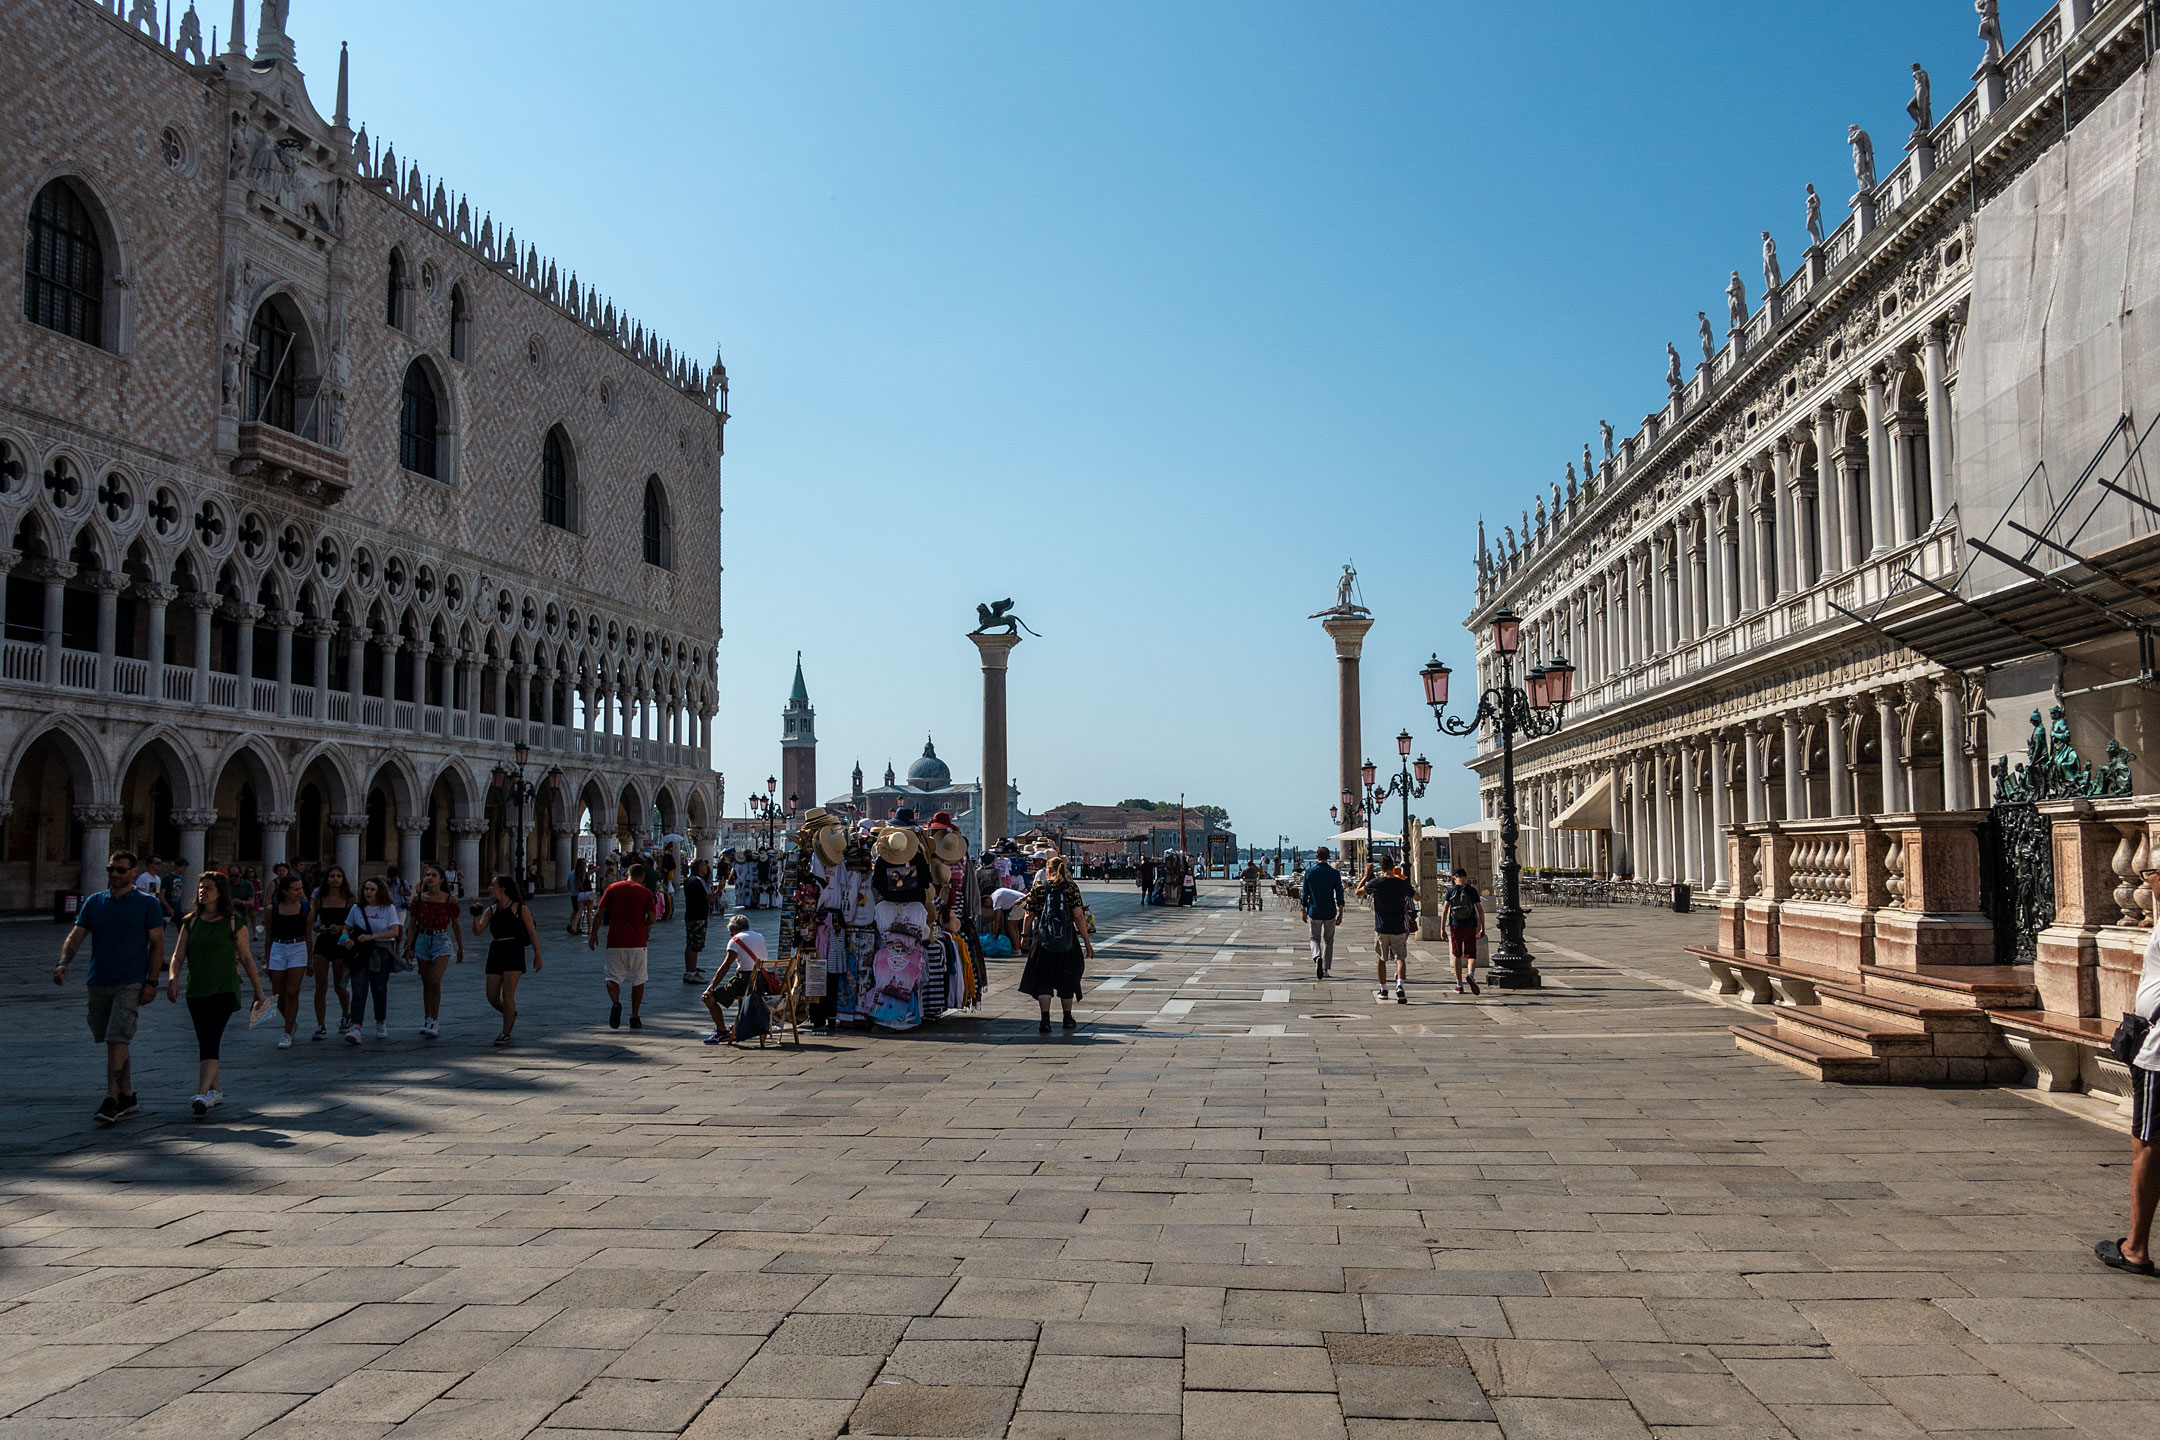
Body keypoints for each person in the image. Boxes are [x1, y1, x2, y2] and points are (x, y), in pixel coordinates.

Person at [54, 851, 167, 1124]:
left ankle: (111, 1099)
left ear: (133, 871)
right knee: (114, 1039)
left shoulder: (147, 904)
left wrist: (151, 982)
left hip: (130, 980)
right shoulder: (95, 902)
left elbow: (157, 946)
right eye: (110, 869)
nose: (114, 874)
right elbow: (76, 935)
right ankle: (127, 1095)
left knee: (117, 1037)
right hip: (99, 979)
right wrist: (63, 962)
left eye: (120, 870)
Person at [163, 869, 266, 1115]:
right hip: (197, 989)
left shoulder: (234, 922)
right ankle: (215, 1091)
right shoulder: (191, 921)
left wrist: (259, 993)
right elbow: (178, 955)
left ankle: (202, 1093)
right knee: (206, 1040)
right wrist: (172, 979)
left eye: (208, 887)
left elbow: (247, 958)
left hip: (224, 989)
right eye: (201, 887)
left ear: (220, 893)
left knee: (211, 1039)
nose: (202, 891)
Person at [1019, 854, 1094, 1035]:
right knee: (1067, 979)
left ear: (1048, 871)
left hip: (1042, 939)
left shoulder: (1038, 887)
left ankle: (1045, 1020)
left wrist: (1023, 935)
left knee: (1043, 980)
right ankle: (1067, 1018)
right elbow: (1078, 916)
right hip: (1067, 939)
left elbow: (1029, 914)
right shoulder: (1071, 887)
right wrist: (1087, 941)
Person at [474, 874, 541, 1046]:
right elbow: (478, 930)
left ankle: (505, 1032)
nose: (490, 888)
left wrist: (537, 955)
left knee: (508, 994)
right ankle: (510, 1013)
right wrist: (475, 915)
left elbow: (532, 932)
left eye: (493, 885)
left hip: (514, 950)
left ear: (502, 888)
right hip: (496, 950)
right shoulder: (491, 910)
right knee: (492, 996)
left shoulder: (520, 909)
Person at [591, 861, 655, 1029]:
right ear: (641, 876)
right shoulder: (646, 892)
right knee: (638, 979)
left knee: (612, 977)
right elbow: (652, 917)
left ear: (628, 873)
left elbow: (600, 912)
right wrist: (646, 926)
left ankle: (616, 1003)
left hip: (615, 941)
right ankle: (634, 1015)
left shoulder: (613, 888)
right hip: (637, 942)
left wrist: (593, 934)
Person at [405, 863, 463, 1037]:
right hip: (422, 938)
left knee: (435, 980)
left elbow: (456, 923)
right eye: (427, 875)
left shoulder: (449, 899)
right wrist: (409, 947)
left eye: (433, 875)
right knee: (426, 981)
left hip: (441, 939)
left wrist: (460, 947)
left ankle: (435, 1020)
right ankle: (427, 1018)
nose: (429, 878)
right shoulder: (419, 899)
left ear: (441, 880)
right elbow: (411, 925)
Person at [343, 877, 403, 1042]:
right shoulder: (357, 908)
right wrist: (345, 939)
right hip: (360, 952)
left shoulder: (388, 908)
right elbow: (346, 928)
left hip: (381, 950)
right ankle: (356, 1027)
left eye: (372, 889)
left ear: (379, 891)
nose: (368, 892)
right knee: (359, 988)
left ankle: (380, 1021)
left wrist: (372, 936)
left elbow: (394, 931)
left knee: (379, 988)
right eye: (366, 889)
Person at [700, 913, 769, 1044]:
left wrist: (710, 988)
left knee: (708, 998)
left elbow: (725, 966)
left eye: (731, 933)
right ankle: (733, 1028)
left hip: (747, 981)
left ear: (734, 930)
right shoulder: (760, 936)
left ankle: (721, 1031)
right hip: (763, 981)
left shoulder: (736, 940)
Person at [307, 866, 358, 1040]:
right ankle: (320, 1025)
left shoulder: (350, 899)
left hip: (341, 943)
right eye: (331, 876)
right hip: (323, 941)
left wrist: (341, 928)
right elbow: (314, 922)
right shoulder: (320, 898)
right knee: (320, 985)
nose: (335, 879)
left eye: (338, 876)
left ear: (343, 879)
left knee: (340, 985)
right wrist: (319, 928)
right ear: (326, 879)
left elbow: (354, 924)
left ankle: (346, 1014)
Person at [1358, 855, 1417, 1004]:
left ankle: (1383, 989)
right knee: (1400, 958)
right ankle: (1399, 985)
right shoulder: (1401, 883)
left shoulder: (1376, 883)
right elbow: (1417, 897)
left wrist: (1366, 875)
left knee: (1381, 958)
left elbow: (1358, 892)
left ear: (1381, 867)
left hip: (1382, 927)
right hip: (1398, 926)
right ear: (1393, 866)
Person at [263, 873, 313, 1048]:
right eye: (296, 889)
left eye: (301, 888)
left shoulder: (306, 908)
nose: (299, 892)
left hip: (298, 947)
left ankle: (287, 1031)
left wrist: (310, 960)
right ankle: (291, 1021)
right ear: (285, 891)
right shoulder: (273, 909)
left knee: (293, 991)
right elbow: (268, 937)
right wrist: (267, 960)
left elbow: (308, 935)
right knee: (278, 993)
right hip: (278, 947)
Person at [1302, 847, 1344, 979]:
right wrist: (1341, 912)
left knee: (1314, 938)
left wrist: (1303, 909)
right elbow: (1339, 894)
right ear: (1329, 856)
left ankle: (1317, 956)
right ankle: (1325, 968)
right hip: (1330, 911)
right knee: (1328, 940)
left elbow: (1305, 893)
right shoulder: (1334, 873)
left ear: (1316, 856)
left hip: (1314, 910)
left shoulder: (1309, 872)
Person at [1441, 870, 1485, 996]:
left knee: (1457, 954)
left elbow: (1444, 910)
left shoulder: (1450, 891)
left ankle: (1459, 985)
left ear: (1455, 877)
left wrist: (1442, 929)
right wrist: (1482, 928)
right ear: (1465, 878)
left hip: (1455, 925)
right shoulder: (1472, 891)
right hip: (1470, 925)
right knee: (1471, 954)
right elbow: (1480, 910)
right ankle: (1470, 974)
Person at [681, 860, 713, 983]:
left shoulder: (689, 880)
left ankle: (689, 970)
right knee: (695, 945)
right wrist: (720, 889)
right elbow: (710, 898)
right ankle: (692, 972)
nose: (707, 867)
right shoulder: (699, 881)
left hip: (690, 915)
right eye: (705, 865)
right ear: (700, 867)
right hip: (699, 916)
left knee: (690, 944)